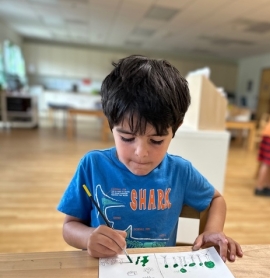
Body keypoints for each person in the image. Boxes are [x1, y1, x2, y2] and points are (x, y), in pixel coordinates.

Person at [57, 55, 243, 263]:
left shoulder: (180, 171)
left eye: (156, 140)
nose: (141, 152)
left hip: (159, 273)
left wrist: (212, 231)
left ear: (175, 129)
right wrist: (87, 237)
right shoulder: (92, 166)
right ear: (111, 124)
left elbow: (216, 200)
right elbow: (69, 227)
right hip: (102, 275)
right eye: (127, 138)